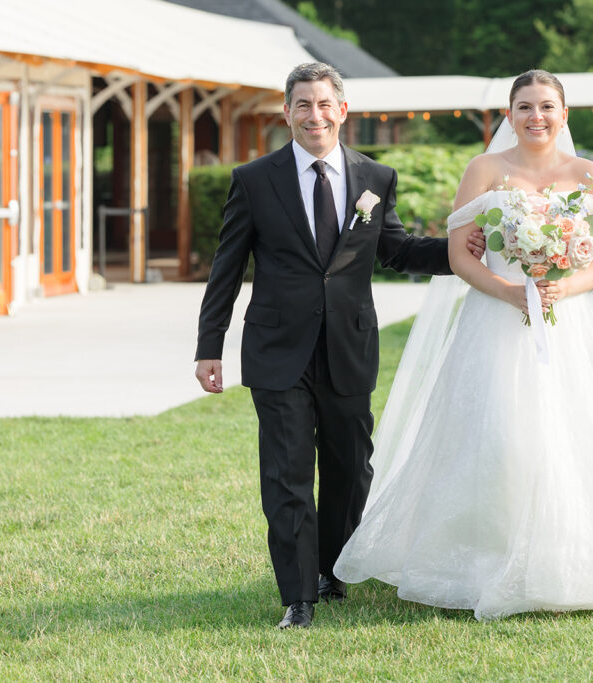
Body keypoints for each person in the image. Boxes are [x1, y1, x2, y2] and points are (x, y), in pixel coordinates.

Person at [333, 70, 593, 621]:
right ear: (509, 115)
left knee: (567, 433)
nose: (535, 117)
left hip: (569, 323)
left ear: (565, 114)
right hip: (496, 319)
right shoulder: (485, 170)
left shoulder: (587, 174)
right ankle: (485, 558)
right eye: (524, 107)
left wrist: (563, 288)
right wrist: (511, 293)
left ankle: (565, 557)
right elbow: (459, 255)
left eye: (546, 106)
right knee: (499, 431)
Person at [193, 62, 483, 629]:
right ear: (287, 113)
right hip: (277, 351)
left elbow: (395, 250)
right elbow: (226, 269)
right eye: (302, 104)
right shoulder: (254, 179)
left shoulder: (375, 177)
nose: (314, 115)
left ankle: (333, 570)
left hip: (349, 347)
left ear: (342, 110)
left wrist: (461, 250)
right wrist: (209, 347)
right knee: (287, 472)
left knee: (351, 469)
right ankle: (297, 597)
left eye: (324, 104)